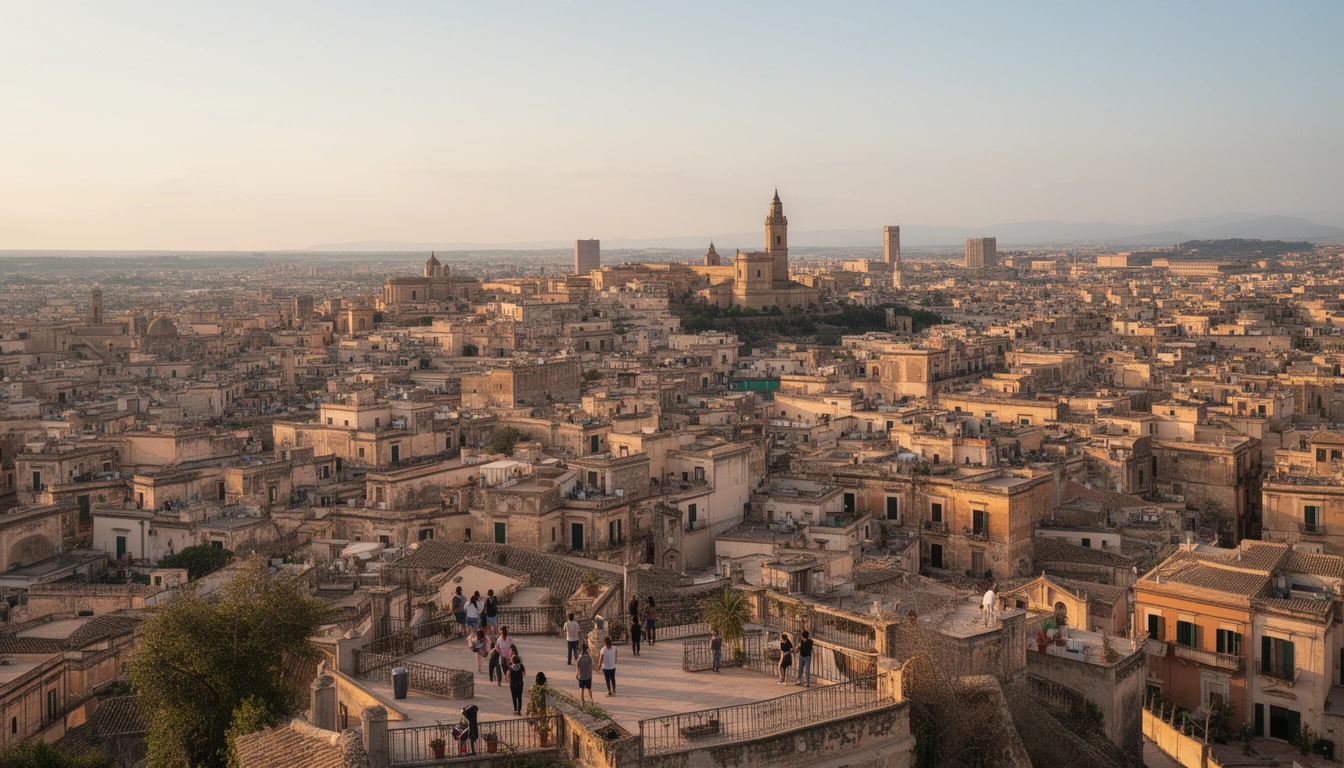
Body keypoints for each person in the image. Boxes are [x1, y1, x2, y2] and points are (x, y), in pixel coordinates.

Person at [507, 652, 526, 716]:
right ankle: (519, 710)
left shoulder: (510, 667)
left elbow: (508, 675)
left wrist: (509, 679)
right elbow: (523, 674)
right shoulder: (521, 666)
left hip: (512, 684)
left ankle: (515, 709)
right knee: (519, 697)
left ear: (512, 661)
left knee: (514, 697)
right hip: (520, 683)